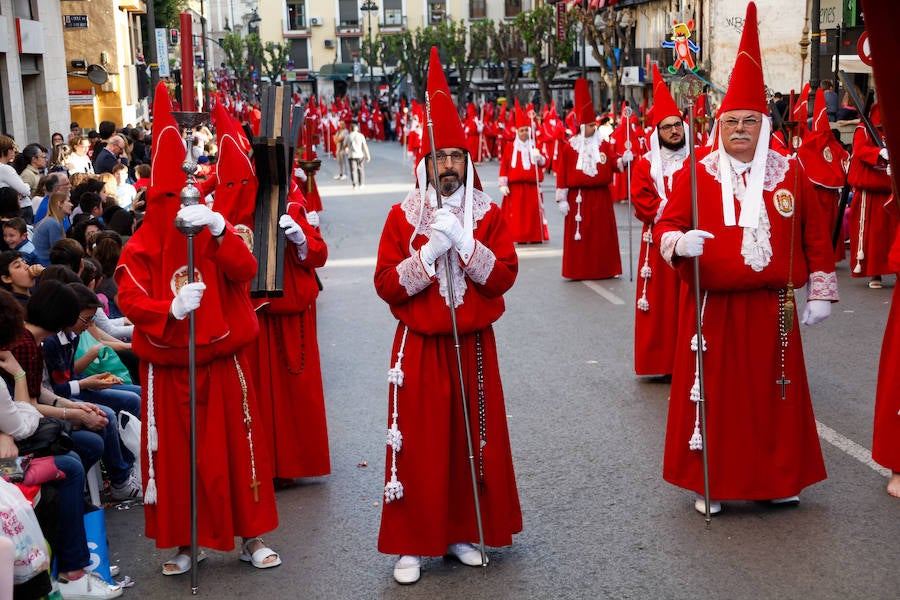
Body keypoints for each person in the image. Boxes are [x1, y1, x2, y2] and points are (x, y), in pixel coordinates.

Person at [653, 2, 838, 515]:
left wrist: (821, 290)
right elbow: (665, 223)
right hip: (713, 307)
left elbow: (816, 237)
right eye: (730, 121)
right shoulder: (698, 171)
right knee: (717, 399)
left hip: (774, 306)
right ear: (719, 124)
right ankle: (710, 483)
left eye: (747, 121)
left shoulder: (791, 172)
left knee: (775, 399)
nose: (738, 130)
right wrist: (676, 242)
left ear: (762, 124)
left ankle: (777, 479)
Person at [114, 83, 281, 576]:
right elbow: (129, 295)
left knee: (237, 451)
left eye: (176, 193)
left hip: (224, 359)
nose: (172, 204)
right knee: (179, 461)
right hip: (169, 370)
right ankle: (187, 543)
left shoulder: (209, 223)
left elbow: (245, 270)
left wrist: (219, 230)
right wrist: (171, 309)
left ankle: (252, 537)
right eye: (162, 195)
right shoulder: (139, 245)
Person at [374, 47, 522, 585]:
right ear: (425, 163)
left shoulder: (488, 214)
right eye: (439, 159)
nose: (449, 167)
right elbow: (386, 284)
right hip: (419, 345)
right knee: (417, 442)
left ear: (467, 160)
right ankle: (411, 542)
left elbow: (504, 276)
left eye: (457, 157)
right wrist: (427, 255)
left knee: (469, 438)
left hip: (475, 345)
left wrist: (468, 247)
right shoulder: (401, 216)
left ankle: (460, 531)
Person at [1, 281, 124, 599]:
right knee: (70, 461)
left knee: (80, 451)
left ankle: (77, 559)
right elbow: (23, 417)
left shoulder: (28, 344)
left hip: (15, 447)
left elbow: (34, 400)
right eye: (82, 318)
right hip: (7, 464)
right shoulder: (22, 347)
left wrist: (74, 407)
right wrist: (73, 413)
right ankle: (74, 569)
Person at [631, 65, 689, 378]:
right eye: (667, 128)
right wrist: (674, 213)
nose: (674, 132)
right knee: (663, 304)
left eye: (677, 125)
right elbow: (642, 201)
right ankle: (665, 362)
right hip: (658, 242)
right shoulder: (646, 165)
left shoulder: (699, 158)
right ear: (658, 132)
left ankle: (691, 358)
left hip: (691, 239)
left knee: (689, 300)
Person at [555, 78, 625, 280]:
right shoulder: (570, 147)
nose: (593, 128)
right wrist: (561, 198)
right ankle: (579, 271)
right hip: (578, 199)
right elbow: (562, 172)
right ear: (581, 126)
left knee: (601, 237)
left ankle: (605, 269)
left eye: (594, 125)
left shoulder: (603, 144)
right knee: (582, 238)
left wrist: (624, 160)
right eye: (589, 125)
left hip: (602, 197)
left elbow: (613, 163)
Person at [847, 103, 896, 288]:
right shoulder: (863, 130)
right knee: (872, 235)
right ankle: (875, 273)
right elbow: (860, 150)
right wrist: (879, 152)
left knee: (893, 234)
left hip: (891, 189)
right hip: (870, 190)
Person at [497, 100, 548, 244]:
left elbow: (545, 163)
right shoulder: (509, 147)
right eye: (522, 130)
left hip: (532, 186)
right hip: (515, 187)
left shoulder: (535, 145)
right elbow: (504, 166)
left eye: (526, 130)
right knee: (518, 214)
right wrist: (503, 184)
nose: (525, 133)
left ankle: (534, 236)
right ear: (517, 131)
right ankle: (519, 237)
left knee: (532, 213)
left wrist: (540, 158)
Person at [32, 191, 73, 266]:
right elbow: (59, 253)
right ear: (60, 204)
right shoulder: (53, 223)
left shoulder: (51, 221)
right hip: (44, 267)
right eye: (69, 201)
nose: (72, 205)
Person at [346, 122, 370, 189]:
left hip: (351, 155)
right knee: (361, 169)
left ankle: (354, 184)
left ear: (350, 129)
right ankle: (361, 184)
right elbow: (364, 146)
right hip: (360, 155)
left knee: (353, 170)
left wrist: (346, 149)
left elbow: (345, 146)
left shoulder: (348, 136)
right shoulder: (361, 135)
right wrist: (368, 155)